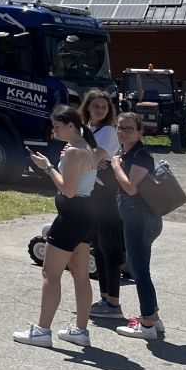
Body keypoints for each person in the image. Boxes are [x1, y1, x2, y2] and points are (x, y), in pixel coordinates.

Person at [14, 106, 99, 349]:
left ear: (71, 126)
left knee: (50, 274)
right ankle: (80, 331)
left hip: (71, 217)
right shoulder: (86, 147)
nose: (54, 131)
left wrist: (48, 167)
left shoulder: (73, 152)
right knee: (80, 274)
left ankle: (42, 331)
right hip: (85, 215)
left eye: (57, 126)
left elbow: (68, 190)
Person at [111, 111, 166, 339]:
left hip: (140, 219)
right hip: (137, 217)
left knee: (138, 270)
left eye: (129, 129)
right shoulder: (126, 152)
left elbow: (131, 188)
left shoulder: (141, 154)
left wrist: (116, 166)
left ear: (140, 131)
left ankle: (147, 325)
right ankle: (153, 318)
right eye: (120, 127)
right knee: (139, 268)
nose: (123, 132)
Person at [82, 89, 125, 322]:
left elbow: (88, 160)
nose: (100, 110)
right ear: (87, 107)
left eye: (104, 106)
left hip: (106, 196)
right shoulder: (87, 129)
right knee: (98, 247)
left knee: (110, 248)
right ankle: (105, 298)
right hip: (93, 195)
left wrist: (85, 157)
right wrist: (86, 157)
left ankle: (114, 303)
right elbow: (83, 158)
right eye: (96, 106)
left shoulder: (107, 131)